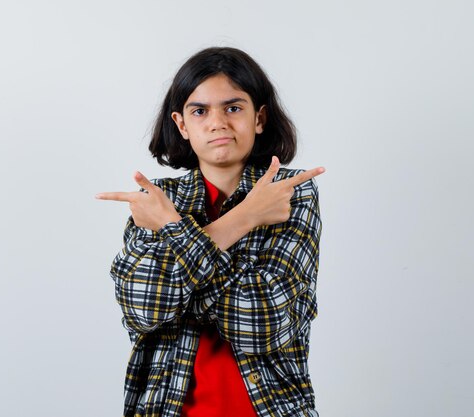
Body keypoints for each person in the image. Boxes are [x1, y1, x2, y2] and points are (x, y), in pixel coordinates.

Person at [96, 46, 326, 417]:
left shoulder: (289, 192)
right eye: (199, 111)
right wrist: (246, 217)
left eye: (233, 108)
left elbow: (260, 323)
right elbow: (143, 308)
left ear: (259, 118)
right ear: (182, 124)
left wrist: (176, 246)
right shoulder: (157, 200)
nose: (217, 122)